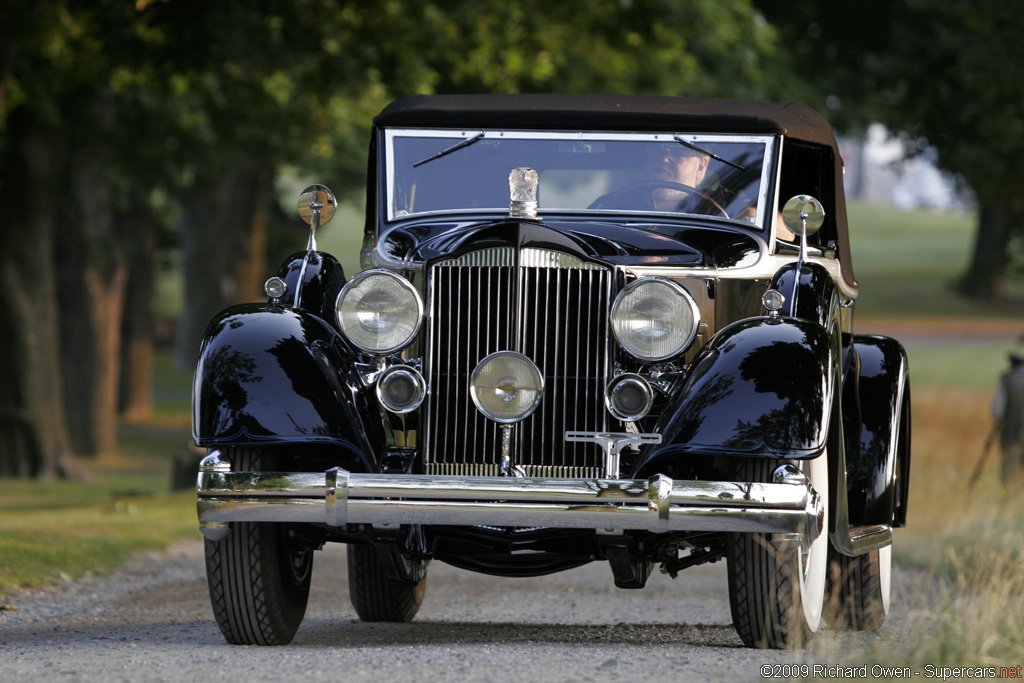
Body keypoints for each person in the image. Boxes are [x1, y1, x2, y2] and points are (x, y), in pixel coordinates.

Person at [991, 351, 1024, 484]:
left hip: (1012, 432)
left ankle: (1009, 496)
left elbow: (997, 411)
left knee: (1009, 469)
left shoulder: (1007, 379)